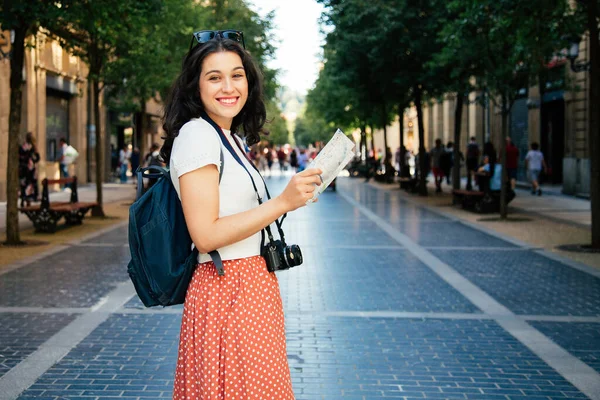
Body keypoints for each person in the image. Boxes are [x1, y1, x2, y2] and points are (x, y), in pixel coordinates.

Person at [160, 29, 322, 399]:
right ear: (195, 87)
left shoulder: (226, 137)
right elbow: (205, 234)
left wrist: (292, 197)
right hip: (227, 289)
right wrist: (281, 202)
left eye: (236, 75)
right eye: (213, 77)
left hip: (249, 288)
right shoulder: (198, 135)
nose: (228, 86)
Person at [19, 132, 40, 207]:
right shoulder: (34, 147)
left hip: (24, 169)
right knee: (30, 184)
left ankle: (23, 199)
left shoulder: (24, 146)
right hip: (31, 169)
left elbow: (20, 156)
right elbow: (37, 158)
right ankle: (28, 201)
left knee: (24, 184)